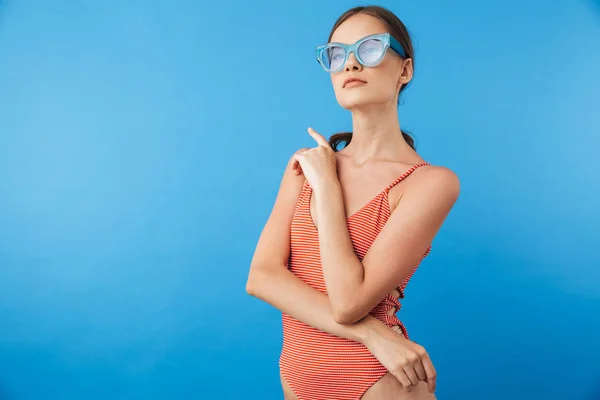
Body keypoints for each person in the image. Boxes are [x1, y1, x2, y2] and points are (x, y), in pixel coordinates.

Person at [246, 5, 460, 400]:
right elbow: (261, 276)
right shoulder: (304, 164)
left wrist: (327, 187)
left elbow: (347, 302)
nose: (351, 64)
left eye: (371, 49)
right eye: (338, 54)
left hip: (378, 383)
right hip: (299, 377)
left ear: (405, 70)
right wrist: (375, 334)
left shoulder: (429, 183)